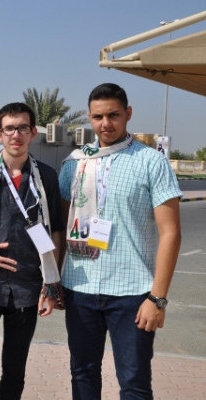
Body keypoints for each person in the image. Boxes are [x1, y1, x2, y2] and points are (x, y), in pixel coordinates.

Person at [59, 83, 182, 399]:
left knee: (135, 383)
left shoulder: (150, 162)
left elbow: (171, 233)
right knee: (82, 374)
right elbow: (61, 225)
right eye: (98, 116)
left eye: (113, 115)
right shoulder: (73, 164)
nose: (105, 124)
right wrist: (53, 281)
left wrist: (157, 299)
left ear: (128, 114)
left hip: (132, 294)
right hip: (80, 287)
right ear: (89, 118)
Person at [0, 102, 64, 400]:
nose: (16, 134)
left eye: (22, 128)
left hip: (27, 288)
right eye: (9, 128)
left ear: (33, 133)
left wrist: (51, 284)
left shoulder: (46, 176)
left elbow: (56, 229)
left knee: (14, 371)